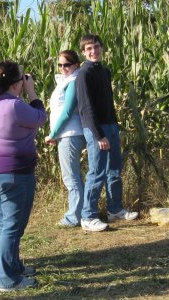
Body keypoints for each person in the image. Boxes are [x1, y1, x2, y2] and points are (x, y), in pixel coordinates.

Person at [0, 61, 47, 292]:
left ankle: (13, 266)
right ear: (17, 83)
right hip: (15, 173)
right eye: (22, 81)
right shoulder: (15, 106)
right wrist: (32, 91)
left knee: (5, 223)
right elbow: (40, 117)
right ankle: (8, 279)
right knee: (12, 225)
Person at [75, 34, 138, 232]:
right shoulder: (84, 74)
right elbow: (86, 108)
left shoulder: (104, 71)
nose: (93, 51)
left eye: (96, 47)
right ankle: (88, 216)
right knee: (97, 172)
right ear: (83, 52)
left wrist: (114, 127)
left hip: (110, 126)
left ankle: (115, 209)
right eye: (89, 49)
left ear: (102, 48)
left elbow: (107, 103)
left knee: (114, 170)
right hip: (96, 129)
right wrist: (98, 135)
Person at [45, 50, 86, 228]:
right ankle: (81, 212)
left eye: (67, 65)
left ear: (76, 64)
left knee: (71, 177)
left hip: (69, 134)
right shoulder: (66, 80)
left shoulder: (73, 81)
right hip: (68, 134)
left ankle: (74, 217)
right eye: (60, 65)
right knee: (73, 176)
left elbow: (67, 111)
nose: (63, 68)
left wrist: (53, 134)